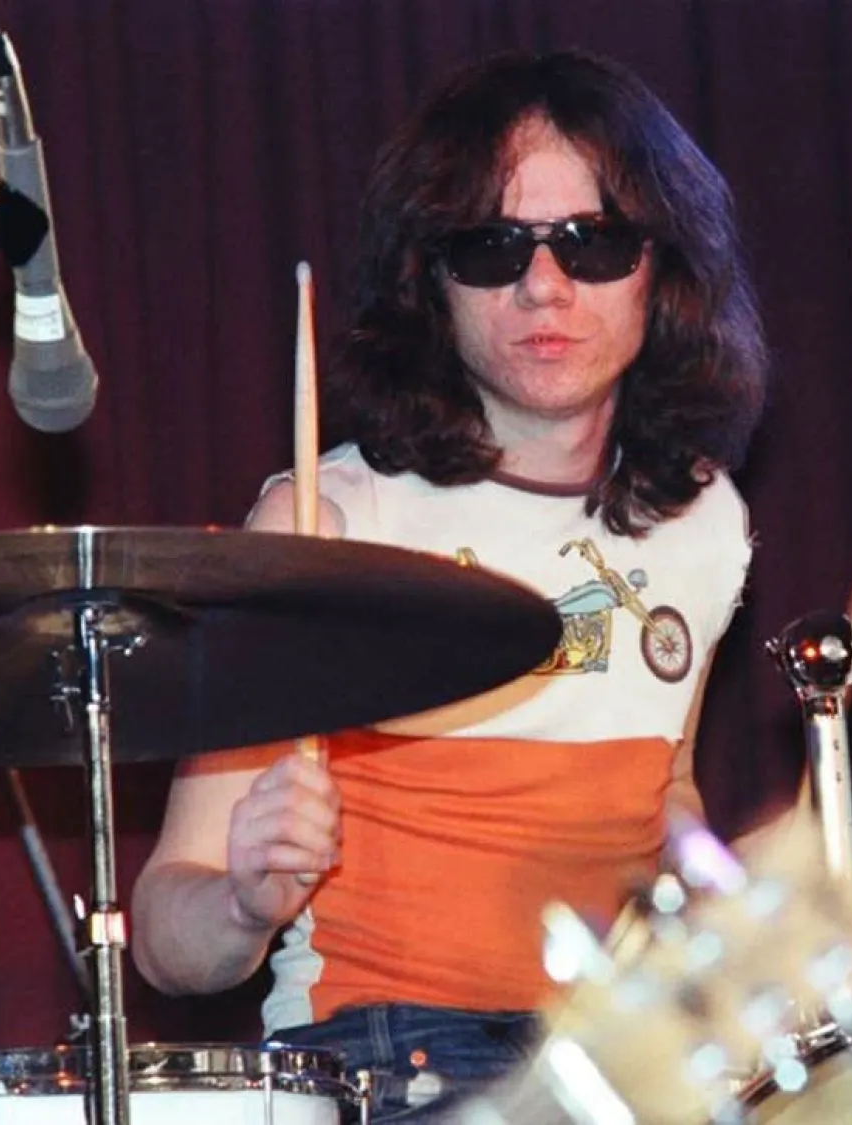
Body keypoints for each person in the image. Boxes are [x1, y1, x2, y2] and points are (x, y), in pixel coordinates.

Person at [128, 47, 768, 1120]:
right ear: (431, 279)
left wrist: (727, 888)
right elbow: (164, 934)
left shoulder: (704, 520)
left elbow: (665, 790)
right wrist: (243, 901)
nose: (544, 286)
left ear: (662, 273)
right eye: (492, 247)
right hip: (393, 1058)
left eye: (592, 242)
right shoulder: (326, 525)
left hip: (620, 1061)